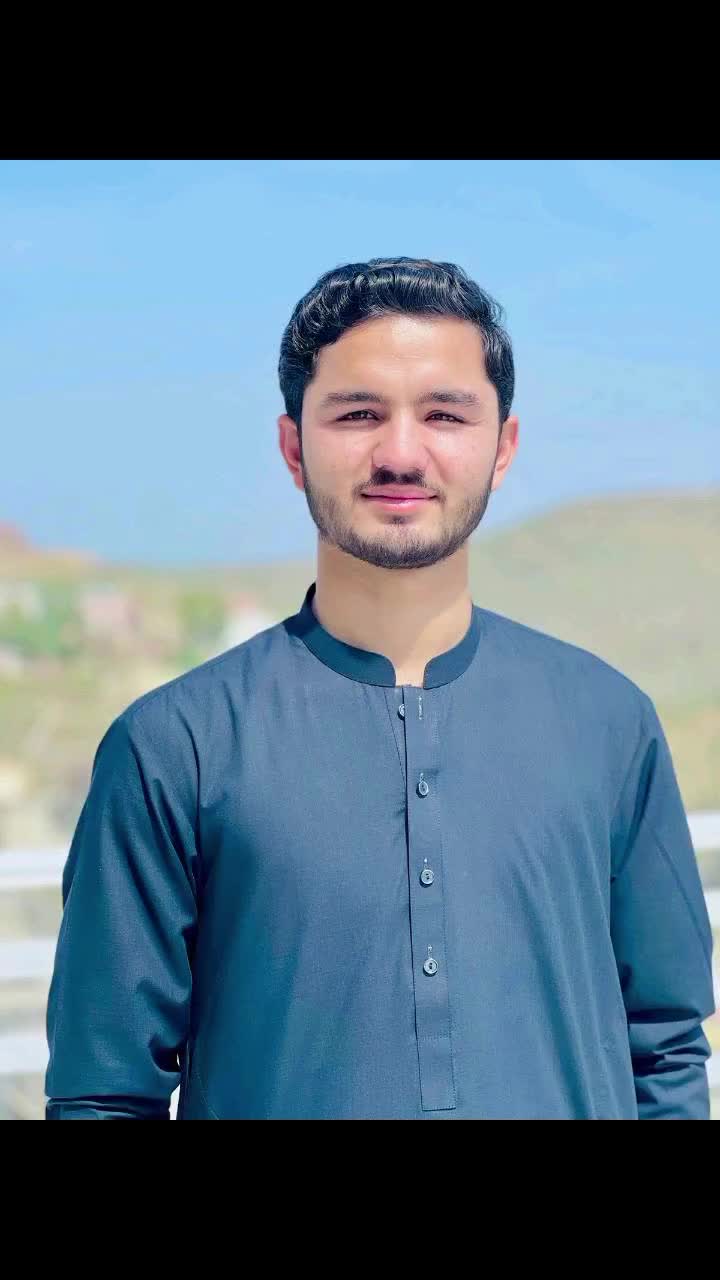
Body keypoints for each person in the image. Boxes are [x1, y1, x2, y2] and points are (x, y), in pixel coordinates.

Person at [44, 256, 715, 1120]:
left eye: (445, 414)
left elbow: (664, 1047)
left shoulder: (609, 725)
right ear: (294, 446)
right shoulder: (175, 747)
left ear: (503, 447)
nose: (400, 453)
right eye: (358, 414)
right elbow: (103, 1093)